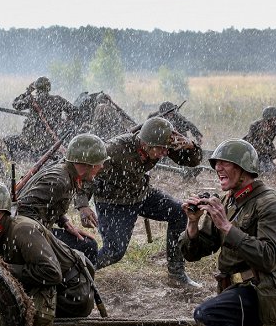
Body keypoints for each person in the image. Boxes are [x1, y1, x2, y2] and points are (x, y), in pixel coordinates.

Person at [179, 139, 276, 326]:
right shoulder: (229, 201)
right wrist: (193, 223)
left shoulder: (270, 203)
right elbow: (196, 252)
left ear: (244, 169)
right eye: (216, 163)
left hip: (263, 289)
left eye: (225, 163)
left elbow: (269, 258)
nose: (218, 168)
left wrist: (226, 226)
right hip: (236, 289)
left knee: (206, 315)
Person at [0, 180, 100, 326]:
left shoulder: (22, 230)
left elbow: (52, 273)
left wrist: (4, 269)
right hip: (53, 290)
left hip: (72, 293)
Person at [80, 116, 203, 288]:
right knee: (114, 252)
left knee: (179, 213)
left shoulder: (159, 144)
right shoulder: (115, 149)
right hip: (113, 201)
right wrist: (83, 205)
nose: (165, 153)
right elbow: (87, 172)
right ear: (145, 144)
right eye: (161, 150)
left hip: (141, 193)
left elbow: (192, 162)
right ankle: (76, 271)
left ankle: (176, 274)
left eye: (167, 149)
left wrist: (190, 146)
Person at [16, 133, 108, 265]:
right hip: (26, 236)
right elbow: (23, 209)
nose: (102, 167)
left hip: (33, 232)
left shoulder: (67, 174)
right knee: (88, 247)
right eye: (100, 163)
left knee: (87, 244)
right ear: (89, 164)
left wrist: (64, 222)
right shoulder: (60, 180)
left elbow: (49, 202)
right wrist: (48, 238)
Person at [4, 76, 77, 160]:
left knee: (8, 139)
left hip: (30, 140)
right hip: (51, 140)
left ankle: (15, 161)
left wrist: (27, 92)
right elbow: (74, 111)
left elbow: (15, 104)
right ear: (49, 88)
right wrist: (65, 120)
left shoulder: (32, 99)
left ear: (36, 88)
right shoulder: (58, 100)